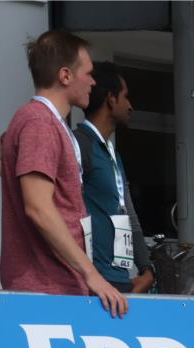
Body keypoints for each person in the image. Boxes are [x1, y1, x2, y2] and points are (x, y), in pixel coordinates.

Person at [0, 30, 127, 317]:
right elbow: (38, 207)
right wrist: (92, 275)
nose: (93, 81)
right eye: (89, 73)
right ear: (66, 76)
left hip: (55, 286)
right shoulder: (39, 123)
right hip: (46, 290)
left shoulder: (39, 121)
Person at [73, 61, 155, 294]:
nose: (130, 106)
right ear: (111, 99)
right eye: (125, 97)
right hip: (93, 281)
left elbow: (128, 213)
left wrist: (146, 268)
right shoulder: (79, 143)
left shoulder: (112, 154)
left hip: (119, 277)